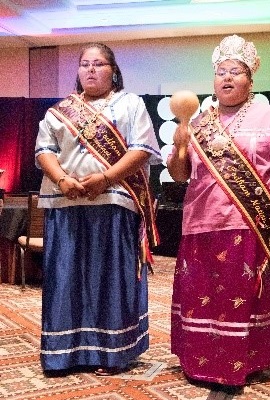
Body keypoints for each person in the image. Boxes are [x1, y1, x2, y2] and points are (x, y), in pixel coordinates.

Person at [167, 34, 270, 391]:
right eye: (221, 72)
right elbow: (180, 175)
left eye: (236, 71)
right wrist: (179, 144)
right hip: (200, 224)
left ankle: (248, 362)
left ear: (250, 79)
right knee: (203, 297)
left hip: (249, 225)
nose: (227, 78)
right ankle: (200, 362)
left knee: (244, 298)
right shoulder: (198, 121)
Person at [35, 43, 162, 376]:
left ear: (113, 70)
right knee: (66, 278)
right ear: (77, 71)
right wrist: (63, 180)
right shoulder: (58, 111)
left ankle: (113, 352)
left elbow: (142, 149)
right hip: (66, 204)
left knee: (110, 278)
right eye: (84, 64)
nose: (90, 69)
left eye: (99, 64)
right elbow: (44, 151)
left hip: (114, 202)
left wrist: (105, 178)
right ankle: (64, 353)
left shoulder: (129, 104)